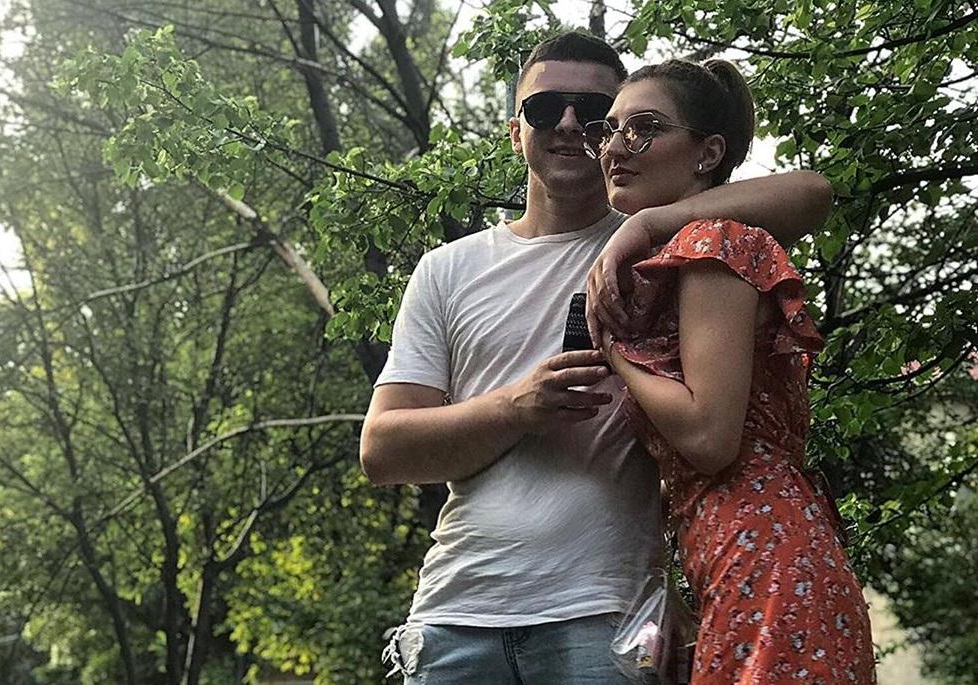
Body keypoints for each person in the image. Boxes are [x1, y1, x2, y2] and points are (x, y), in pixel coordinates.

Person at [360, 31, 834, 684]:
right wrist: (513, 408)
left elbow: (812, 192)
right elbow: (382, 450)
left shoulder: (668, 249)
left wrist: (642, 226)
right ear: (514, 131)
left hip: (606, 615)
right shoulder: (446, 270)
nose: (566, 124)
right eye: (542, 107)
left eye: (591, 114)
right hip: (454, 613)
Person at [586, 58, 877, 684]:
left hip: (766, 564)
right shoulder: (681, 253)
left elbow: (709, 437)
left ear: (708, 152)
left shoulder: (714, 243)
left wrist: (614, 352)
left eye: (644, 127)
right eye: (609, 130)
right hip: (745, 563)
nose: (616, 147)